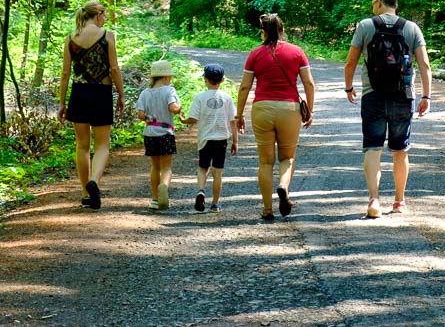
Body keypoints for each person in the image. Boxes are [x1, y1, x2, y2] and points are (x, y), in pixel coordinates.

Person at [343, 0, 431, 219]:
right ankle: (399, 201)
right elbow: (424, 64)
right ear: (396, 5)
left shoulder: (365, 25)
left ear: (380, 3)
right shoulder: (412, 28)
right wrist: (426, 96)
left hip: (373, 95)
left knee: (373, 148)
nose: (372, 8)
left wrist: (349, 87)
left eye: (373, 4)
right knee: (400, 150)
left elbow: (350, 62)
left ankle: (374, 200)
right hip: (403, 95)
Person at [235, 13, 315, 220]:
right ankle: (283, 186)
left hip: (262, 108)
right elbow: (309, 83)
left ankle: (267, 209)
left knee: (265, 162)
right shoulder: (297, 52)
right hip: (289, 108)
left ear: (263, 31)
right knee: (287, 157)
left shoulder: (255, 54)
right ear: (282, 29)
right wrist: (310, 109)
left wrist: (239, 114)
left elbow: (245, 86)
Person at [58, 0, 125, 210]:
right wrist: (121, 94)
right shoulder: (107, 36)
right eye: (104, 15)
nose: (105, 19)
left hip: (79, 94)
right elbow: (114, 69)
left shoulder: (71, 38)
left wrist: (62, 102)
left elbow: (65, 73)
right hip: (101, 93)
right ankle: (94, 180)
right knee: (102, 144)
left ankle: (86, 193)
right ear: (98, 15)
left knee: (82, 145)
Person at [183, 63, 239, 213]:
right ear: (222, 80)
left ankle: (201, 190)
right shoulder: (227, 98)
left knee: (203, 168)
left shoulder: (200, 97)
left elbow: (193, 118)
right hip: (221, 139)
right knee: (218, 172)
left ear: (205, 80)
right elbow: (232, 121)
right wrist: (235, 141)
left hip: (205, 139)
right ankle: (215, 204)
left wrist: (183, 120)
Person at [135, 59, 181, 209]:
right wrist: (179, 108)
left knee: (155, 166)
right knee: (166, 167)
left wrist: (148, 116)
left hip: (150, 133)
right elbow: (173, 108)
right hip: (165, 132)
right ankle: (164, 186)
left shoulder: (145, 93)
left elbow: (140, 115)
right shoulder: (169, 90)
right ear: (167, 77)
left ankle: (154, 199)